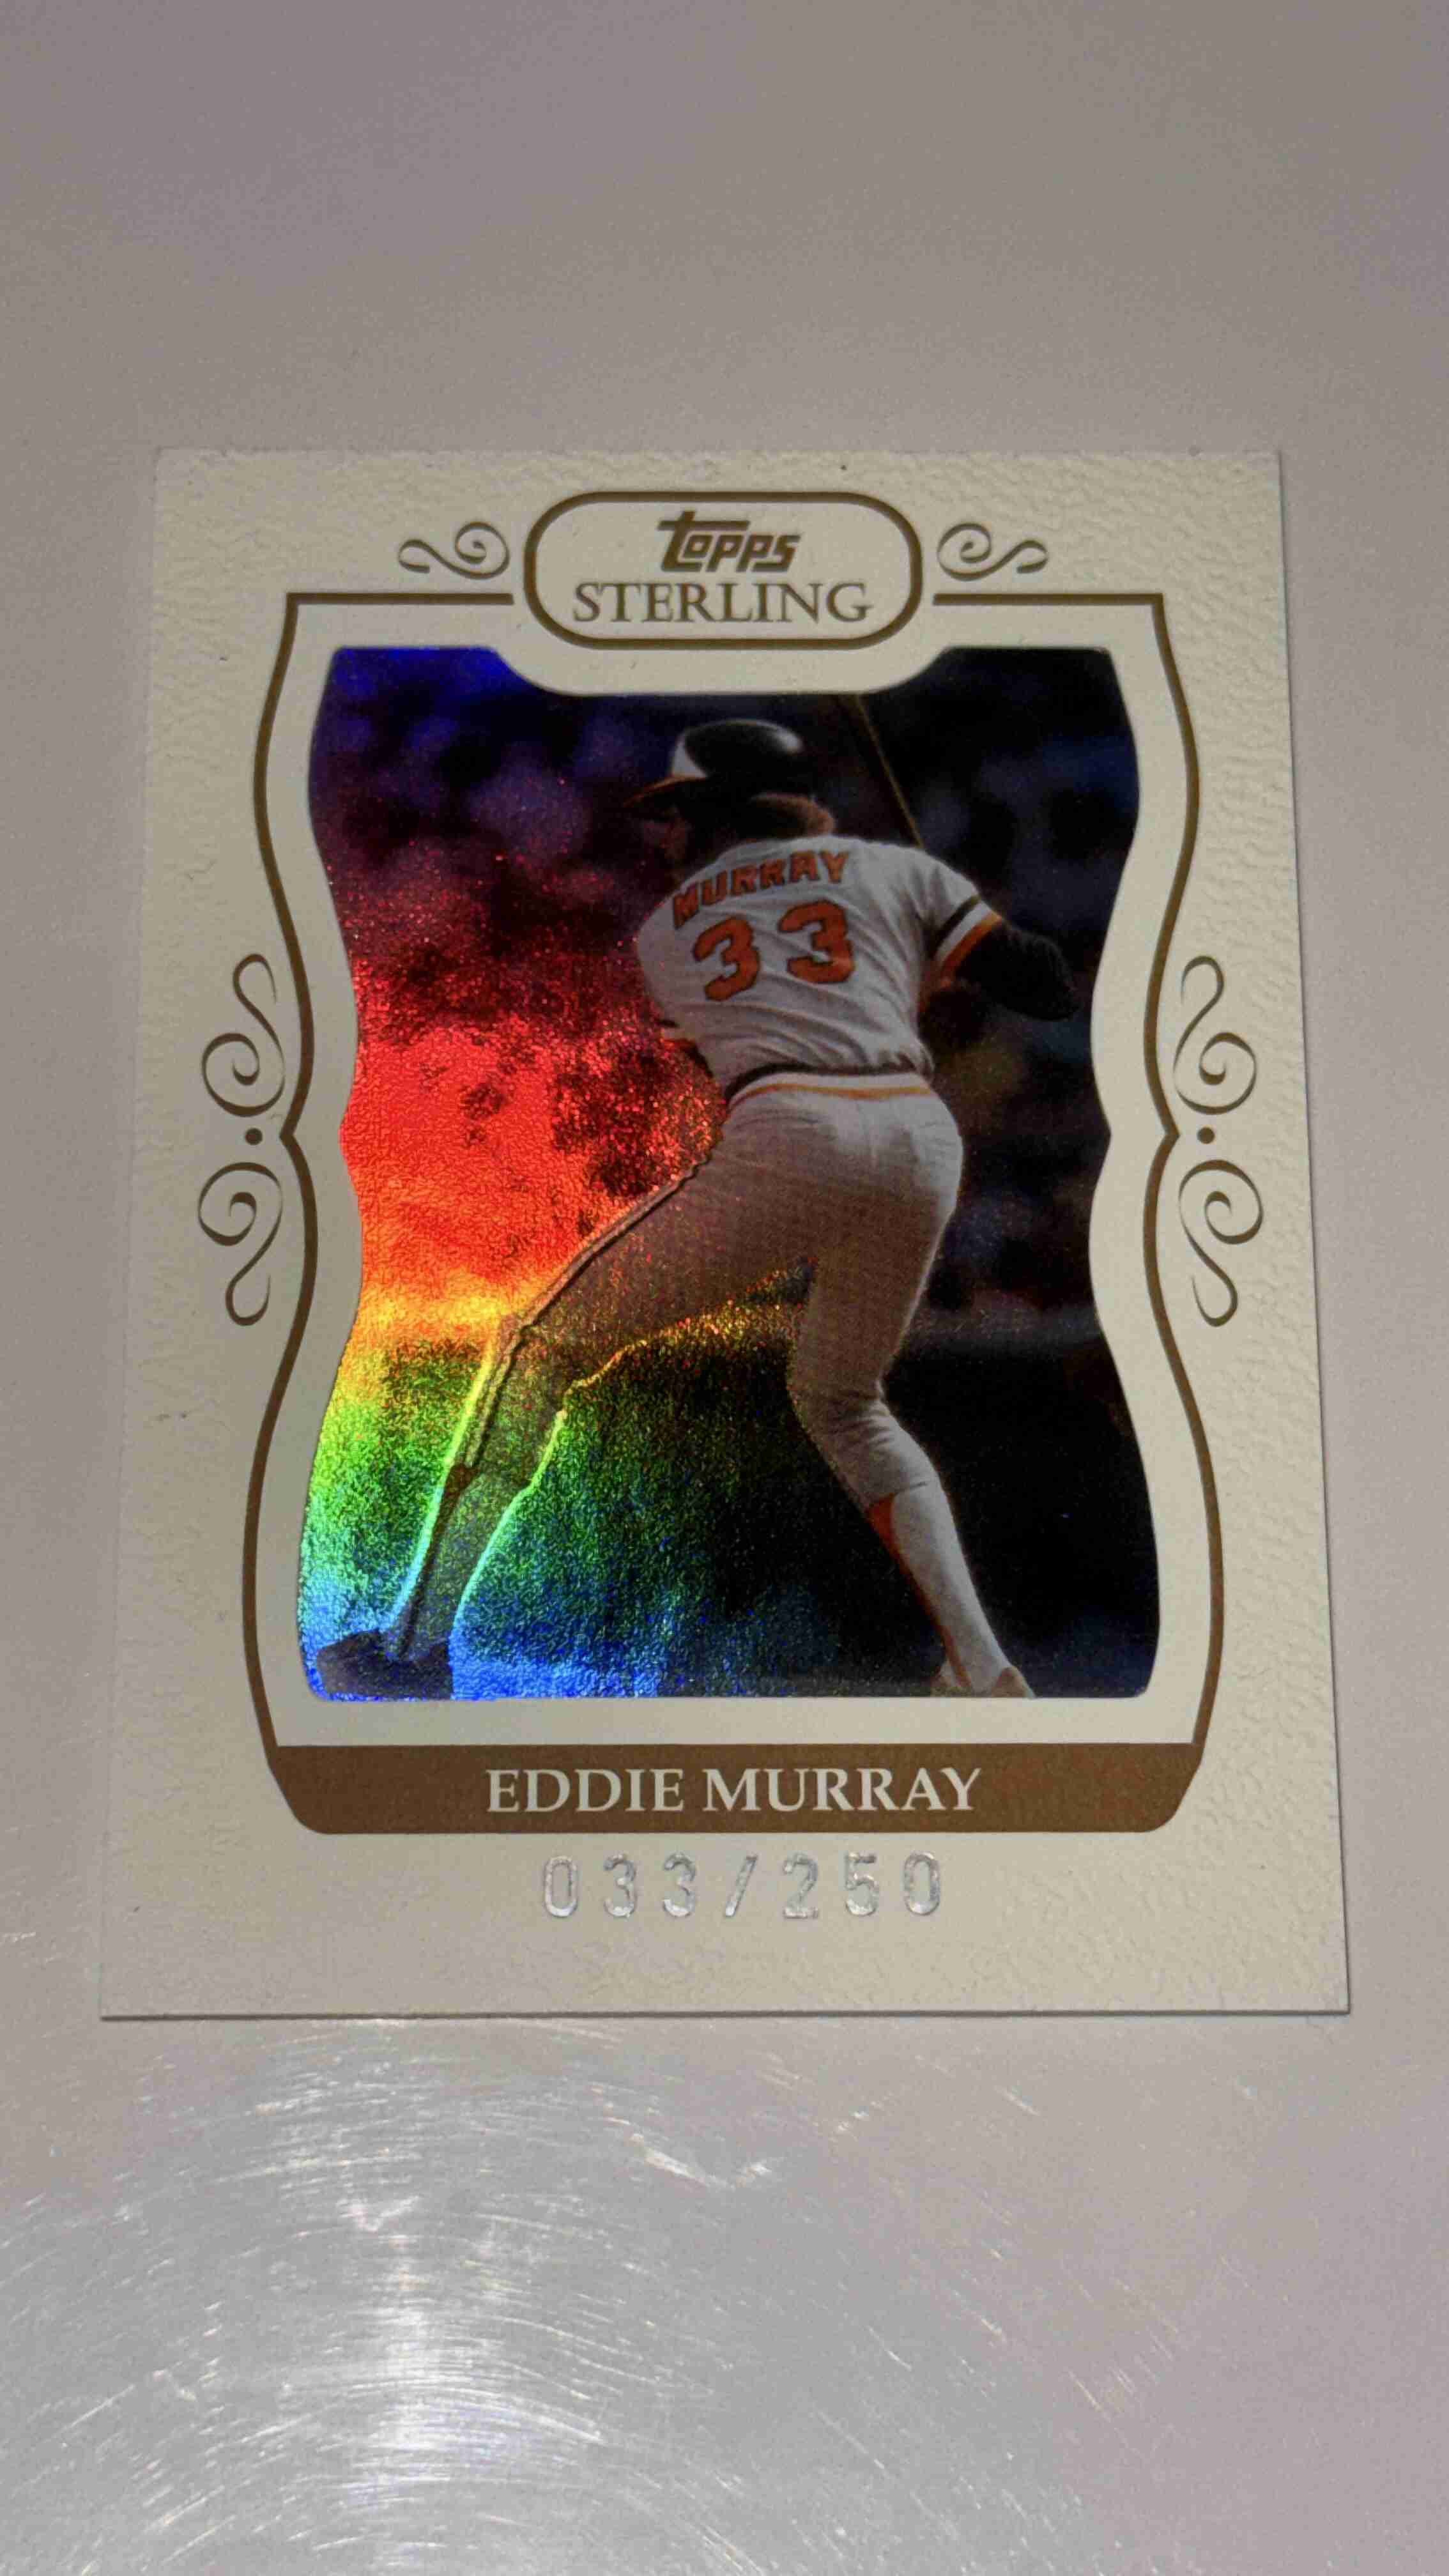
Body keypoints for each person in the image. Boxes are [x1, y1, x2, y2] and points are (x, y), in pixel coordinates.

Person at [318, 718, 1076, 1703]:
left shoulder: (669, 929)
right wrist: (942, 960)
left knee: (537, 1346)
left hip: (793, 1123)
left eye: (680, 815)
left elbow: (738, 1043)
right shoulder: (897, 869)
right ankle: (981, 1665)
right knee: (844, 1401)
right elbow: (1045, 987)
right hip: (919, 1134)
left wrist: (886, 982)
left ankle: (413, 1645)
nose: (668, 835)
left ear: (720, 814)